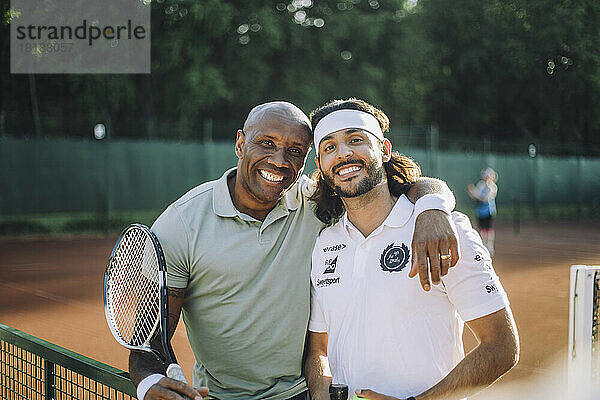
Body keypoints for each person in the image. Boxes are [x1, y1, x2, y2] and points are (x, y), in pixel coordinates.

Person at [129, 101, 460, 400]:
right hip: (218, 396)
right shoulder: (181, 223)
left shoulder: (315, 203)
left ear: (306, 161)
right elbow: (149, 339)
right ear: (240, 143)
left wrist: (432, 206)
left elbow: (394, 184)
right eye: (267, 144)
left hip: (301, 393)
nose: (278, 160)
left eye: (294, 150)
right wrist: (148, 382)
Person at [305, 99, 519, 400]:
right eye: (329, 147)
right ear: (320, 166)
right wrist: (318, 387)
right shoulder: (324, 244)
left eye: (355, 140)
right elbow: (318, 349)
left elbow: (501, 346)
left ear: (384, 149)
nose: (343, 153)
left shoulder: (444, 228)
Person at [467, 168, 498, 256]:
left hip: (488, 211)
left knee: (489, 229)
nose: (486, 177)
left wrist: (474, 192)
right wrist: (471, 192)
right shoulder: (480, 185)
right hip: (480, 211)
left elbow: (484, 199)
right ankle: (483, 245)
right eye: (485, 175)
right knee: (481, 229)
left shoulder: (493, 187)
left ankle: (490, 246)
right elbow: (476, 196)